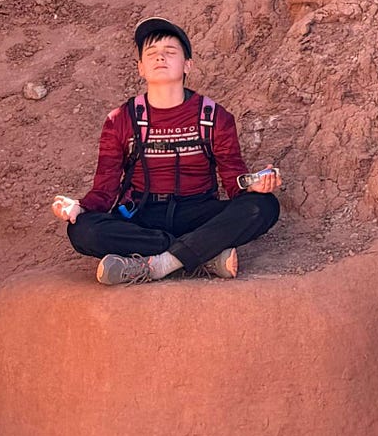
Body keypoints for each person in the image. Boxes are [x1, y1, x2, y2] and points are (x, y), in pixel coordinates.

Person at [50, 17, 282, 285]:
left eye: (170, 52)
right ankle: (199, 256)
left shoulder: (215, 117)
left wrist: (256, 186)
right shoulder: (121, 120)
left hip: (198, 212)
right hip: (143, 217)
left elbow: (234, 183)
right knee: (83, 231)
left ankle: (159, 264)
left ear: (187, 65)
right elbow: (105, 191)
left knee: (263, 206)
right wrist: (78, 207)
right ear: (140, 68)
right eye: (151, 54)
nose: (160, 58)